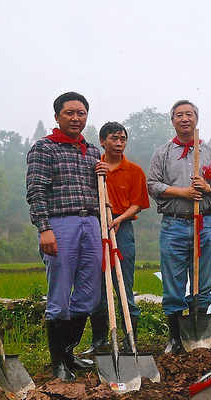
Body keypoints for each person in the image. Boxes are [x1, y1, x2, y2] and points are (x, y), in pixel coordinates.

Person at [26, 91, 108, 381]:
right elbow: (36, 190)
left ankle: (69, 352)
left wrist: (103, 176)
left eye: (81, 113)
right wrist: (44, 228)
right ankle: (57, 363)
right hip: (60, 225)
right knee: (59, 295)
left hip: (92, 225)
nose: (76, 118)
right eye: (69, 113)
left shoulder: (93, 152)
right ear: (57, 116)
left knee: (88, 294)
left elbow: (100, 195)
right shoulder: (44, 148)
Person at [147, 100, 211, 354]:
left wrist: (208, 188)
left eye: (189, 114)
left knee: (203, 279)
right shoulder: (162, 153)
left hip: (205, 224)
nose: (185, 119)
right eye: (179, 115)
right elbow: (153, 185)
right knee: (173, 280)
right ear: (172, 120)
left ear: (197, 119)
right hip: (174, 224)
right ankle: (174, 337)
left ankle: (199, 330)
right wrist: (182, 192)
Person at [83, 121, 150, 354]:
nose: (119, 143)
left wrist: (120, 219)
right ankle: (99, 340)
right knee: (97, 284)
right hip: (96, 226)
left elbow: (138, 203)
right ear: (102, 141)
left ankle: (130, 339)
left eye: (122, 139)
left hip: (123, 228)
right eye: (114, 138)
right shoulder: (93, 167)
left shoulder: (134, 171)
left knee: (124, 284)